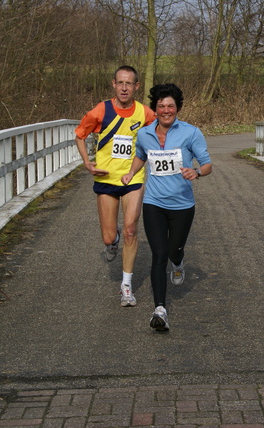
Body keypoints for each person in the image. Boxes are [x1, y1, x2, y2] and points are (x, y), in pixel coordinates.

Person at [121, 83, 212, 332]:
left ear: (178, 108)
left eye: (170, 106)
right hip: (154, 203)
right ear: (156, 109)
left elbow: (207, 164)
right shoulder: (145, 133)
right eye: (161, 106)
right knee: (159, 255)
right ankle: (160, 308)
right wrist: (131, 173)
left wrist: (196, 172)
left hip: (182, 205)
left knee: (174, 251)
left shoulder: (191, 133)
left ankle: (179, 261)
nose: (166, 110)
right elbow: (141, 154)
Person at [75, 65, 156, 308]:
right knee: (108, 236)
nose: (124, 87)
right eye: (120, 83)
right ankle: (114, 240)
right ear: (113, 84)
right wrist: (87, 163)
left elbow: (164, 127)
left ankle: (126, 286)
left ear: (136, 87)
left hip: (133, 179)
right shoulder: (102, 109)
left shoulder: (145, 113)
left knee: (132, 228)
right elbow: (80, 134)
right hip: (106, 179)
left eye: (129, 83)